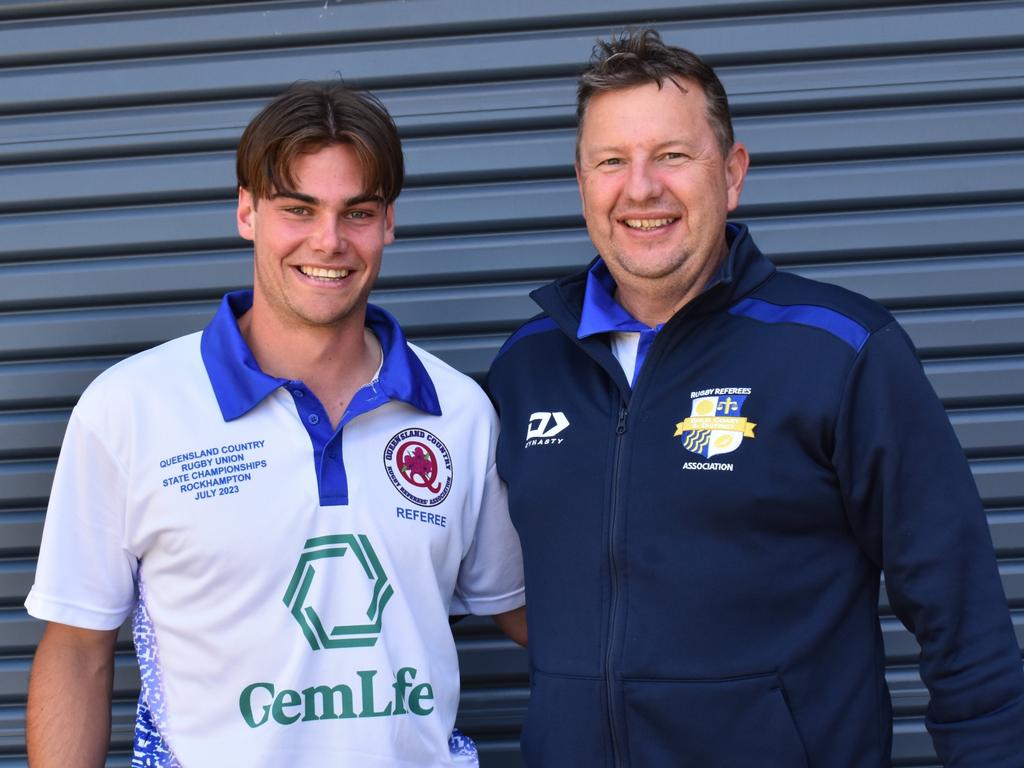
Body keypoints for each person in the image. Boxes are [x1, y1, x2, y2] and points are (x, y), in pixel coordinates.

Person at [487, 29, 1024, 767]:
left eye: (673, 156)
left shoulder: (840, 350)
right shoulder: (527, 366)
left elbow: (962, 615)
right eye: (612, 161)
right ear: (582, 185)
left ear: (732, 173)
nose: (640, 188)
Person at [25, 81, 526, 768]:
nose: (329, 241)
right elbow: (77, 650)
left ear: (388, 224)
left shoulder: (460, 410)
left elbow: (527, 613)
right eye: (298, 209)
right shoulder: (132, 408)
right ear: (247, 212)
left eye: (357, 212)